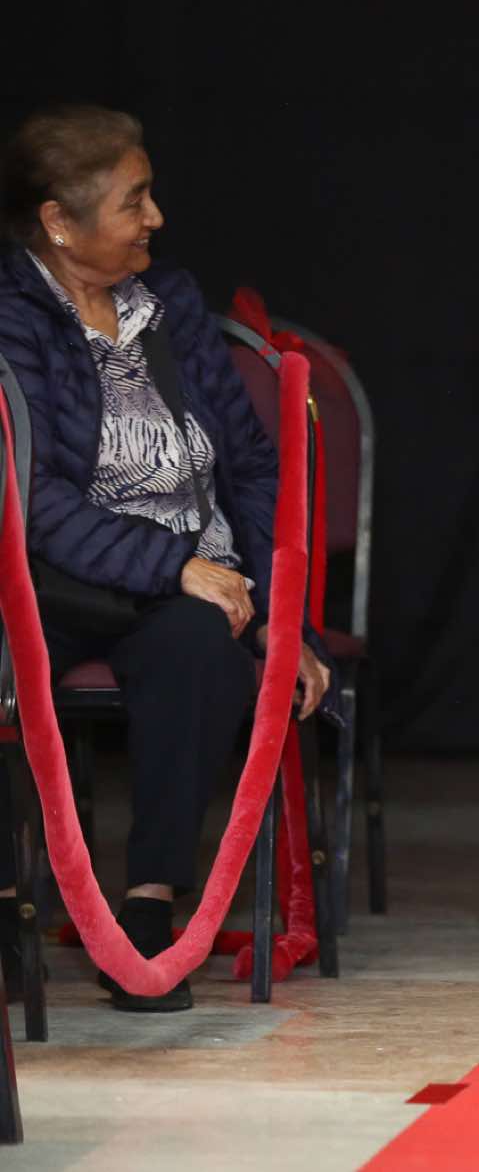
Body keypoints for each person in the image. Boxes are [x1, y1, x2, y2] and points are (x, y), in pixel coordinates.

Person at [0, 105, 331, 1013]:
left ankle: (148, 908)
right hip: (59, 585)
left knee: (200, 647)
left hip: (190, 585)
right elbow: (31, 498)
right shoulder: (13, 319)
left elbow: (253, 466)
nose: (156, 217)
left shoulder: (170, 302)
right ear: (59, 223)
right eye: (133, 200)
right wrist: (171, 562)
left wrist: (277, 618)